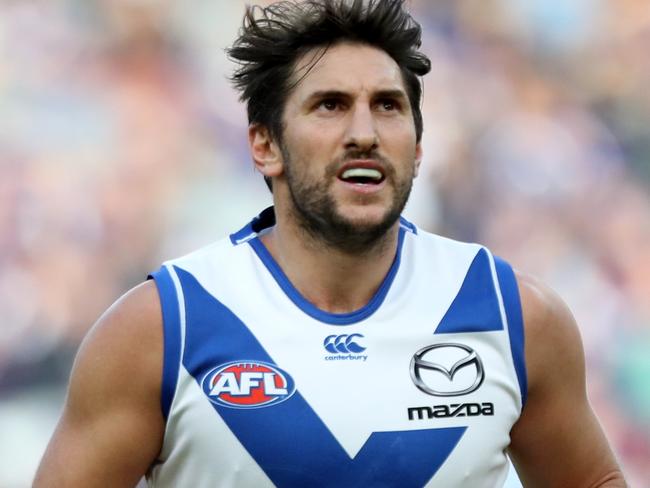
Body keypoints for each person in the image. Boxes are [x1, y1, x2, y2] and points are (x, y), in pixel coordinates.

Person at [34, 1, 626, 486]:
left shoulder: (514, 315)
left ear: (418, 147)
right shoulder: (164, 327)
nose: (364, 133)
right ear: (265, 145)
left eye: (388, 107)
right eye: (330, 105)